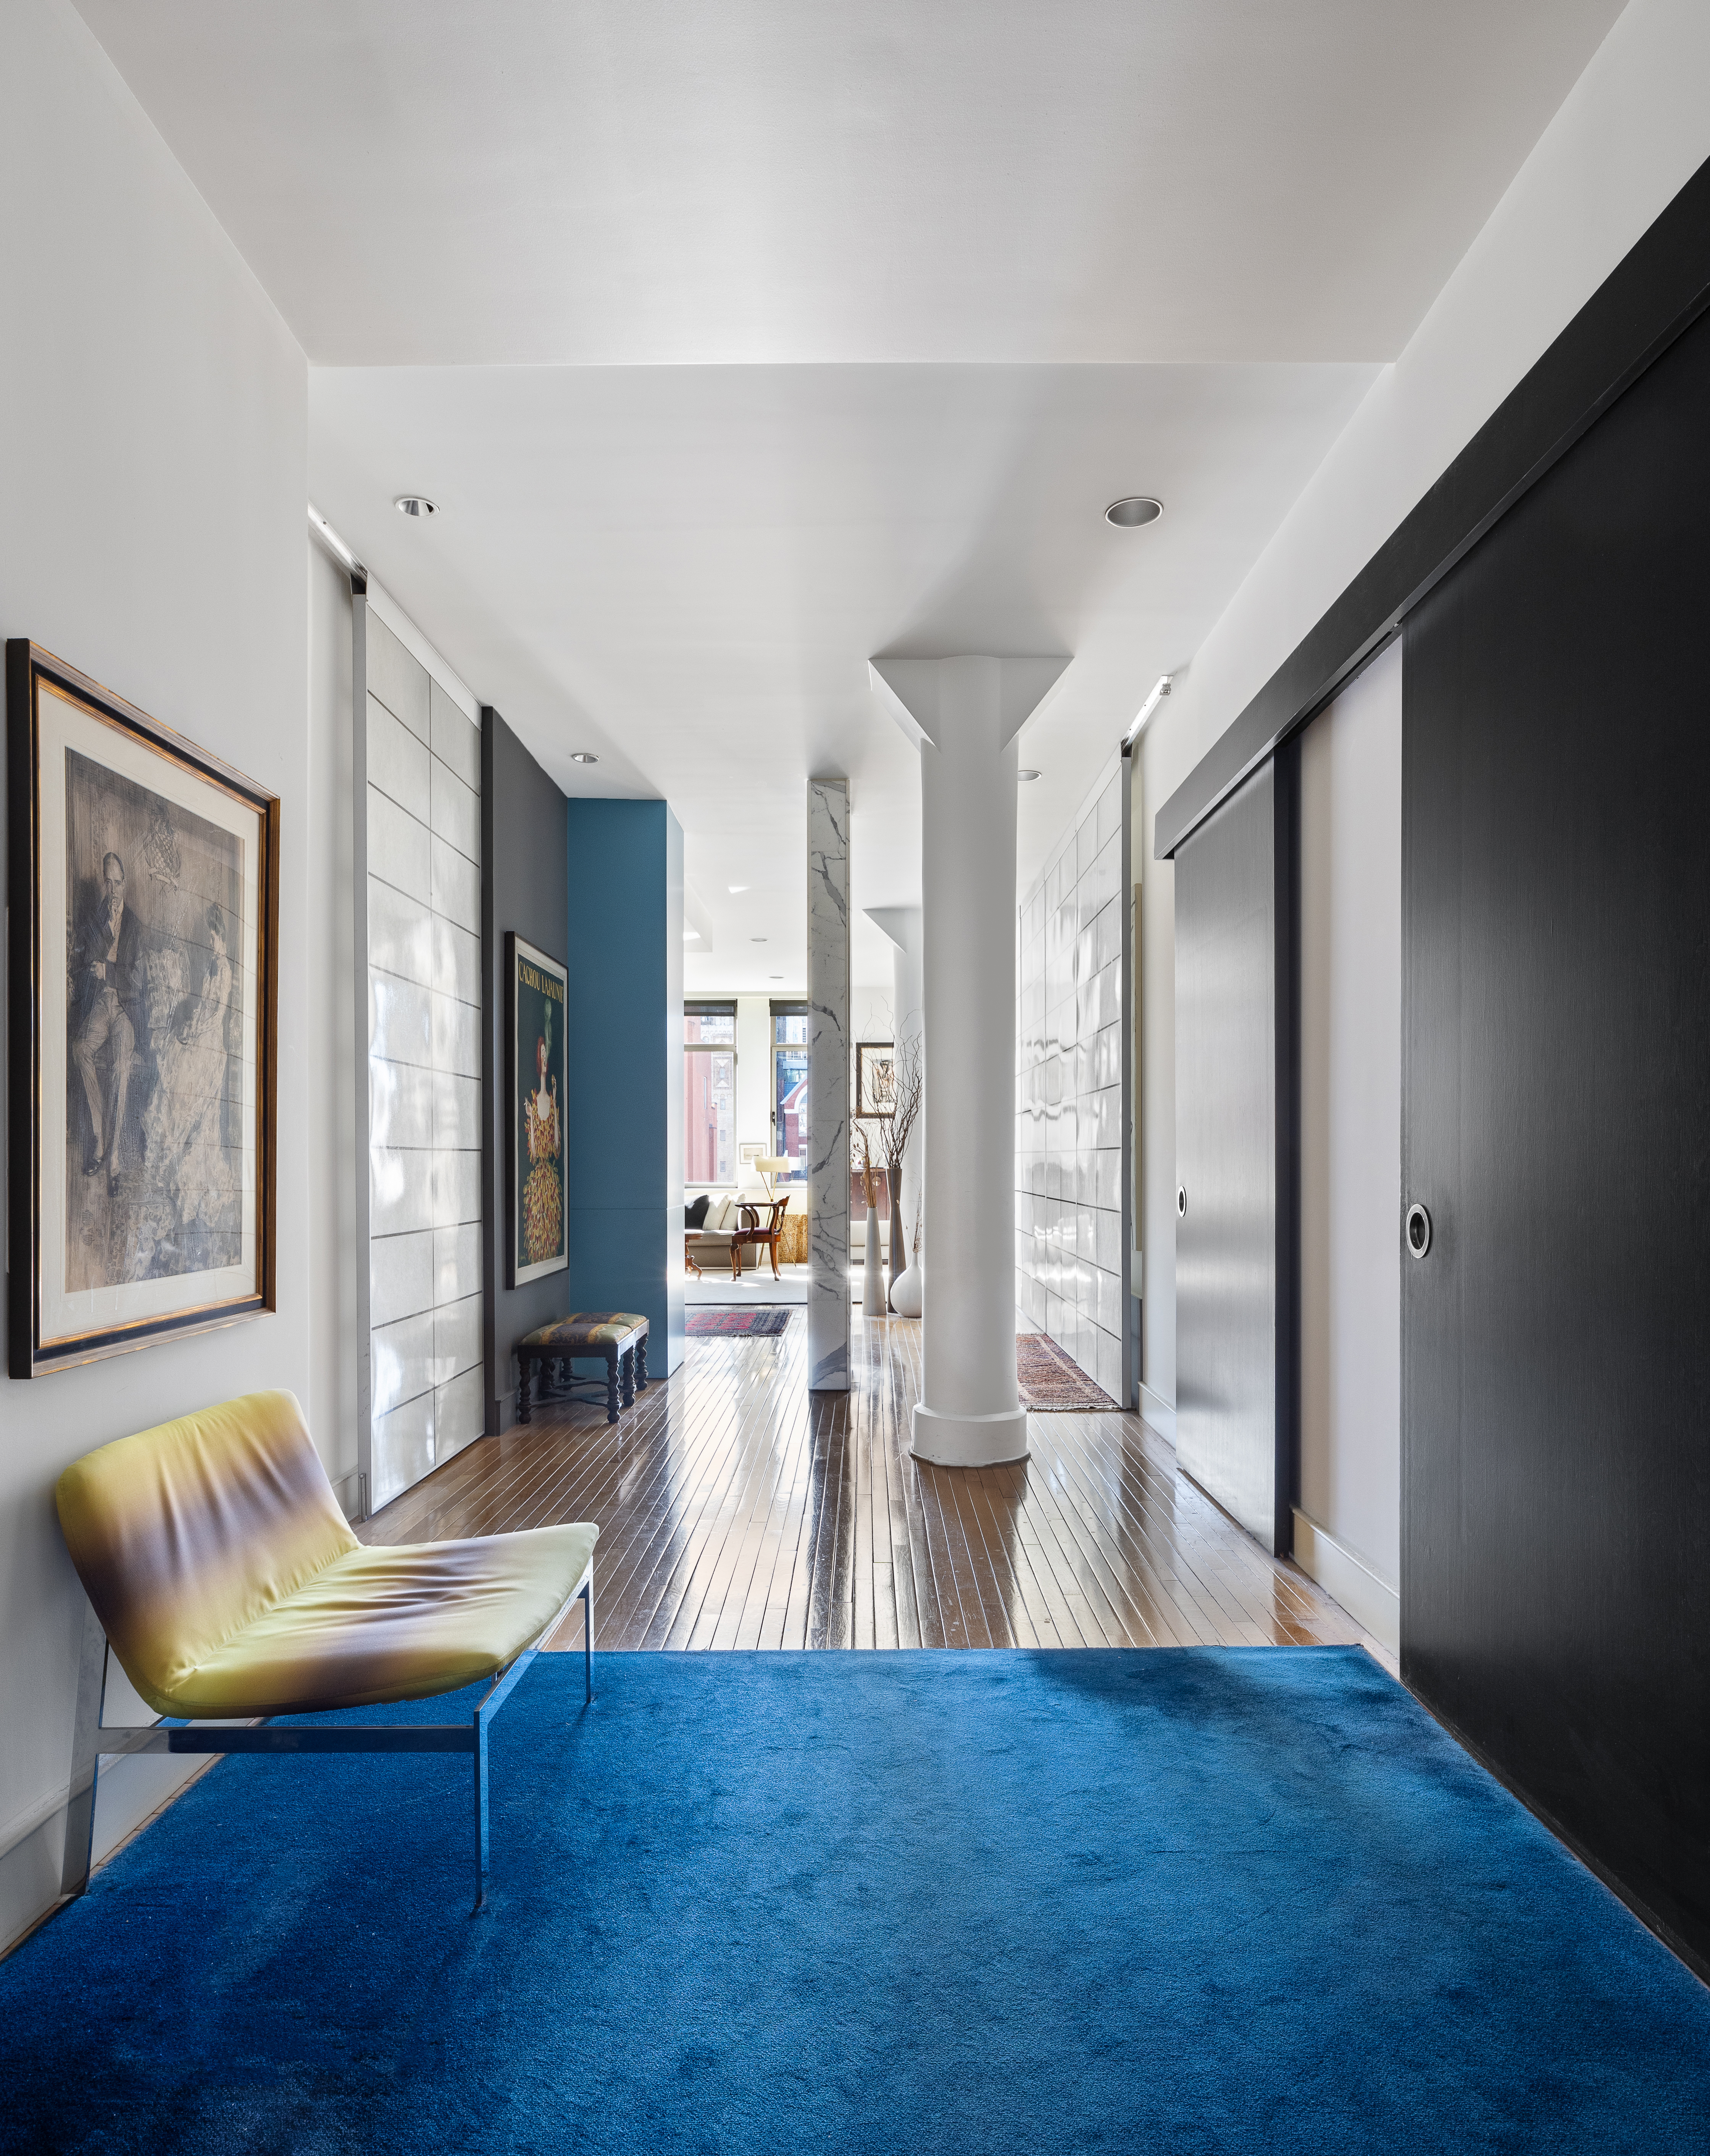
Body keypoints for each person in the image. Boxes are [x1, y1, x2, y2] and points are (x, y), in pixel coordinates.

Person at [71, 852, 145, 1177]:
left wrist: (108, 971)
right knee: (79, 1048)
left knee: (120, 1066)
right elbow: (86, 955)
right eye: (108, 883)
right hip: (102, 1004)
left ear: (125, 884)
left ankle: (113, 1156)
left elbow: (138, 982)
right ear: (104, 883)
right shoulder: (100, 915)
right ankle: (100, 1139)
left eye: (118, 883)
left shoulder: (135, 926)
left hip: (126, 1010)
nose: (113, 891)